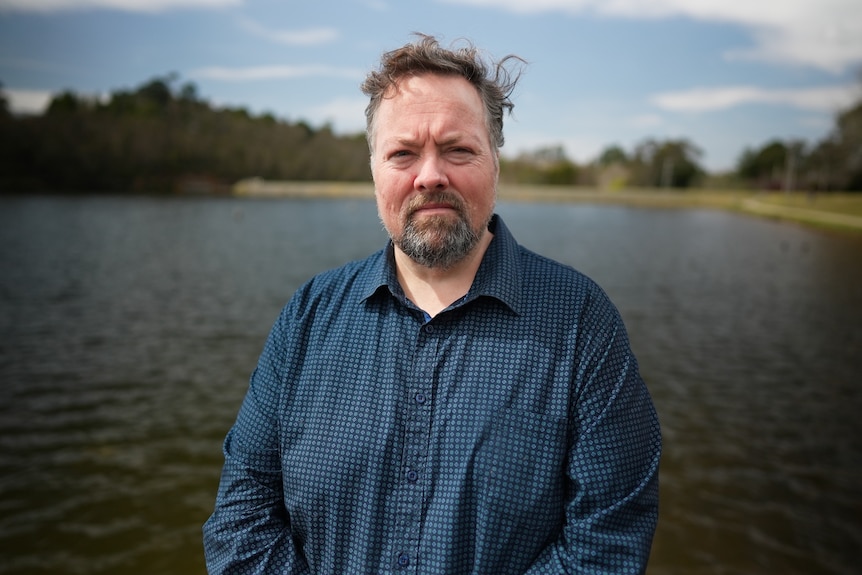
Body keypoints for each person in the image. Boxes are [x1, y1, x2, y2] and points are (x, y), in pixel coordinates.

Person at [203, 34, 661, 575]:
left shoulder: (581, 321)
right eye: (402, 153)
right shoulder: (308, 315)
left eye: (458, 149)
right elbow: (242, 514)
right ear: (374, 171)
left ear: (495, 161)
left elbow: (606, 542)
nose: (430, 175)